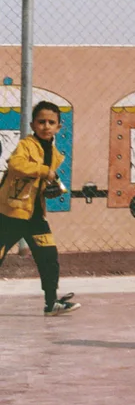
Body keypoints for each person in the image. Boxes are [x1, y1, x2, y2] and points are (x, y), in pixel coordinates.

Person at [0, 100, 79, 316]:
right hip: (10, 213)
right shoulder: (26, 145)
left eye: (51, 122)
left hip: (34, 216)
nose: (46, 126)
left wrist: (49, 186)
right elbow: (15, 164)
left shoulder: (54, 154)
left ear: (59, 127)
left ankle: (51, 302)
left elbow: (39, 181)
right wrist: (45, 172)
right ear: (32, 124)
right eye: (41, 121)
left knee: (48, 256)